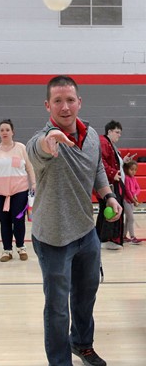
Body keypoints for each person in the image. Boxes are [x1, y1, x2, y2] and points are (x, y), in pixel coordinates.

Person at [26, 75, 122, 366]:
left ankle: (82, 344)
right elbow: (36, 151)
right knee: (57, 308)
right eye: (58, 101)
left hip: (86, 233)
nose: (65, 106)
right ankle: (59, 361)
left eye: (70, 100)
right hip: (53, 237)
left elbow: (96, 172)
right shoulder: (43, 140)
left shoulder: (92, 136)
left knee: (85, 297)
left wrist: (108, 196)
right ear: (47, 105)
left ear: (79, 102)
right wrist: (48, 142)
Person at [0, 118, 36, 262]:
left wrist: (34, 183)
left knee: (18, 220)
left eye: (7, 130)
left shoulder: (21, 148)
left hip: (20, 191)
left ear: (13, 132)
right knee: (4, 222)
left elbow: (30, 167)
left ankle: (21, 247)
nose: (4, 132)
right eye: (2, 130)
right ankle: (7, 250)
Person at [96, 120, 131, 250]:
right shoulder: (104, 142)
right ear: (109, 131)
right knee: (113, 209)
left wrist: (123, 161)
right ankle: (108, 239)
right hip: (110, 184)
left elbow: (112, 162)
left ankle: (103, 238)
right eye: (117, 132)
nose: (119, 135)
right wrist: (111, 173)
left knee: (107, 211)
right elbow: (100, 161)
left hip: (112, 182)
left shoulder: (110, 144)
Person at [123, 160, 141, 244]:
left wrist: (135, 195)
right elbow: (127, 191)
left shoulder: (133, 178)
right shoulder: (126, 178)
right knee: (131, 219)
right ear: (127, 169)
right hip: (126, 201)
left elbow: (138, 188)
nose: (133, 172)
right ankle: (132, 237)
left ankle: (123, 236)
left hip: (131, 201)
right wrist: (134, 200)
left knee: (128, 219)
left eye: (135, 170)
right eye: (131, 169)